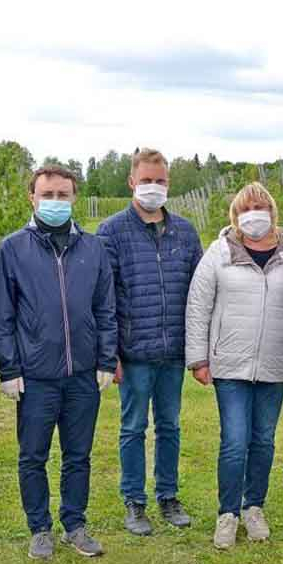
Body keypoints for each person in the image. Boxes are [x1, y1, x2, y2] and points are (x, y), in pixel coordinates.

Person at [0, 165, 118, 560]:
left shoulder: (93, 249)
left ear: (75, 198)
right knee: (33, 455)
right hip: (36, 375)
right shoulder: (13, 249)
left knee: (78, 454)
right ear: (32, 197)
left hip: (82, 374)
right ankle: (39, 527)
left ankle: (75, 524)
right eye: (48, 194)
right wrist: (9, 368)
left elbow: (106, 308)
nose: (56, 202)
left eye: (63, 195)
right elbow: (2, 314)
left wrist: (106, 360)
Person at [185, 183, 283, 549]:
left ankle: (253, 506)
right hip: (230, 364)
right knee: (234, 441)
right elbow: (199, 306)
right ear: (235, 215)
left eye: (260, 206)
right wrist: (198, 358)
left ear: (272, 212)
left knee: (263, 440)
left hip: (275, 364)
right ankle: (227, 513)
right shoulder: (219, 253)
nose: (253, 213)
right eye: (246, 208)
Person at [96, 148, 203, 536]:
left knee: (171, 425)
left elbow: (199, 294)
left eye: (159, 181)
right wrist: (110, 354)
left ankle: (168, 496)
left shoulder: (185, 232)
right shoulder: (111, 232)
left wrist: (199, 348)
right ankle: (134, 501)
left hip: (173, 350)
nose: (153, 187)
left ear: (168, 183)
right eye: (146, 181)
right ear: (131, 182)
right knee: (133, 427)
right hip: (134, 350)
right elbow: (103, 297)